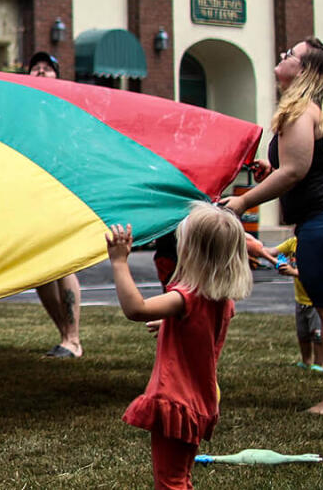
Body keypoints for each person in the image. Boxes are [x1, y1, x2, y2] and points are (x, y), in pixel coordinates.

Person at [221, 37, 323, 417]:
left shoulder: (300, 110)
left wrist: (243, 201)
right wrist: (270, 173)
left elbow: (296, 171)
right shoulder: (321, 108)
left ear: (305, 70)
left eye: (291, 55)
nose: (282, 56)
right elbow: (303, 169)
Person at [107, 202, 252, 490]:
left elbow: (136, 309)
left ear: (189, 253)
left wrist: (119, 263)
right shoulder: (222, 300)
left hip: (176, 401)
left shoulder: (184, 297)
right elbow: (203, 327)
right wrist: (172, 325)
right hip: (200, 400)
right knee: (181, 477)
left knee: (170, 481)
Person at [25, 50, 83, 358]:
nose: (41, 72)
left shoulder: (65, 109)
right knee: (42, 271)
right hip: (34, 195)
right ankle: (65, 336)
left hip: (61, 193)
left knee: (63, 263)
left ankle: (73, 339)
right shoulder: (24, 110)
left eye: (48, 69)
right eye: (36, 68)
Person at [272, 236, 323, 373]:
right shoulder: (293, 242)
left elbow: (318, 272)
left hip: (316, 300)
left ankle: (319, 363)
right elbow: (273, 251)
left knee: (317, 334)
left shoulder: (317, 243)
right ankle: (306, 361)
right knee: (303, 334)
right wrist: (256, 248)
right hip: (300, 299)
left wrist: (292, 271)